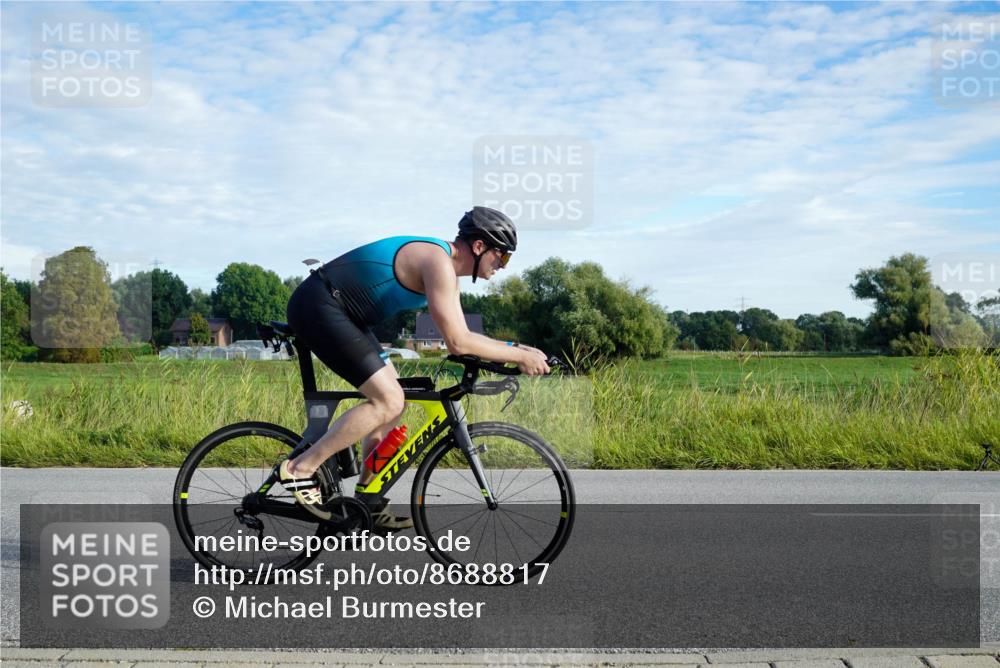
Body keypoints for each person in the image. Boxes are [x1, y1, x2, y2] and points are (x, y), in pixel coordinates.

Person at [281, 206, 551, 530]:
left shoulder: (446, 272)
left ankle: (368, 500)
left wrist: (515, 350)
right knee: (387, 400)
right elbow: (458, 342)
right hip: (320, 306)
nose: (502, 266)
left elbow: (463, 334)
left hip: (344, 313)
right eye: (503, 257)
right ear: (479, 247)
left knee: (396, 401)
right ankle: (300, 469)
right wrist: (517, 355)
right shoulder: (438, 263)